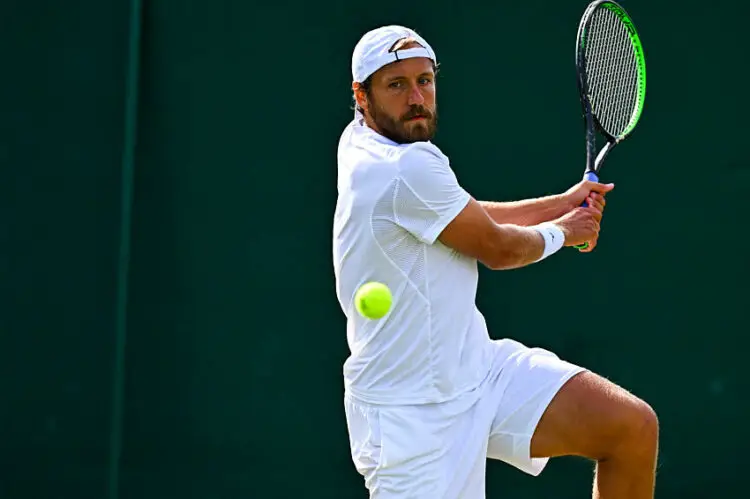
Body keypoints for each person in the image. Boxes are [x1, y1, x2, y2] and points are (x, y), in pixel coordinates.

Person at [332, 25, 658, 499]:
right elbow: (498, 248)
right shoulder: (402, 168)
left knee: (629, 428)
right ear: (362, 95)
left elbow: (462, 215)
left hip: (477, 371)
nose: (416, 97)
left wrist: (560, 203)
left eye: (425, 80)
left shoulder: (364, 141)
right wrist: (565, 232)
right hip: (410, 416)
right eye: (396, 85)